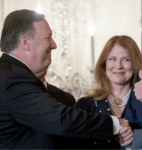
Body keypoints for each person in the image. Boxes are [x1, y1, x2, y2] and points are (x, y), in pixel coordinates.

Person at [0, 9, 130, 150]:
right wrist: (114, 124)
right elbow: (61, 120)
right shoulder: (13, 78)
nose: (54, 44)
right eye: (48, 37)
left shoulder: (11, 74)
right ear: (25, 42)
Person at [74, 35, 142, 150]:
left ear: (135, 64)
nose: (118, 66)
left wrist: (135, 142)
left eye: (126, 60)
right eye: (112, 59)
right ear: (104, 64)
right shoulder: (85, 105)